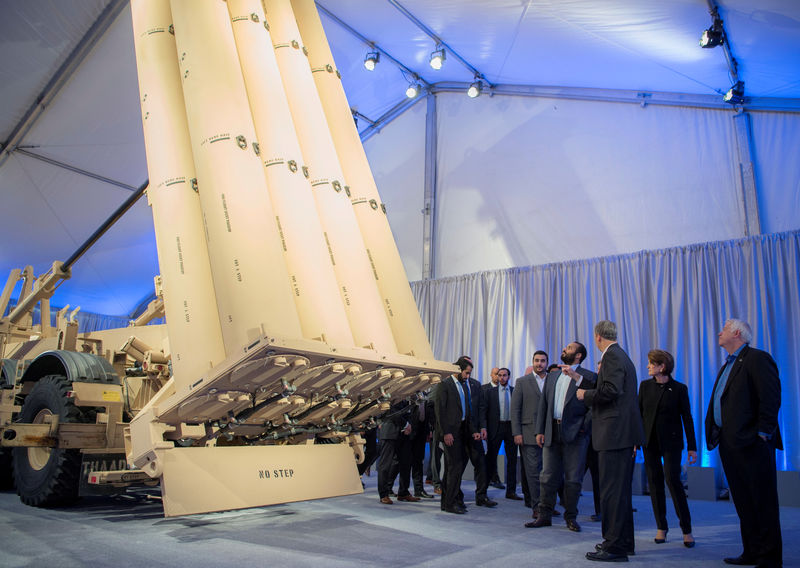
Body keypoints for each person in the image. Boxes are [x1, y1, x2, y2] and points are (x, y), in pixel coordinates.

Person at [705, 319, 782, 568]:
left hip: (753, 443)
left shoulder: (757, 358)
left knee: (762, 501)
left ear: (737, 333)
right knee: (743, 501)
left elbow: (770, 396)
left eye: (724, 329)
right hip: (730, 442)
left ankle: (769, 558)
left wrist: (763, 433)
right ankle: (751, 551)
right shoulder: (729, 362)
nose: (719, 332)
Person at [577, 320, 644, 562]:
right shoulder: (621, 355)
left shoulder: (612, 357)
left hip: (614, 434)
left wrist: (586, 395)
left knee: (611, 493)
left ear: (597, 337)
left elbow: (610, 390)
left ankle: (613, 546)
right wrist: (580, 380)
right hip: (621, 435)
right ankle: (624, 542)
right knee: (620, 493)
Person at [529, 342, 596, 532]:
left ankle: (571, 517)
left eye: (569, 348)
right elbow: (544, 404)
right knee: (547, 476)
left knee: (573, 479)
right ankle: (544, 515)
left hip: (576, 435)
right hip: (552, 432)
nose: (564, 349)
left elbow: (594, 407)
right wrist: (540, 430)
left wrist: (584, 428)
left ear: (578, 355)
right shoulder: (553, 375)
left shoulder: (589, 377)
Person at [638, 349, 697, 547]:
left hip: (672, 443)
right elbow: (639, 415)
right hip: (650, 443)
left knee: (673, 481)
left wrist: (692, 447)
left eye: (651, 363)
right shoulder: (644, 386)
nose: (647, 366)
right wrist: (635, 443)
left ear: (662, 366)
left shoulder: (679, 388)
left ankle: (686, 530)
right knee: (654, 484)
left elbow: (687, 418)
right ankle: (661, 527)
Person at [436, 357, 495, 513]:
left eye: (470, 373)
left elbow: (467, 412)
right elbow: (440, 411)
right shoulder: (445, 384)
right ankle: (449, 503)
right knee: (454, 468)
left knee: (456, 467)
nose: (468, 376)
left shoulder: (464, 385)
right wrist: (446, 433)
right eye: (466, 373)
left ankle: (452, 501)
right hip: (451, 433)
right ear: (458, 369)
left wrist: (475, 430)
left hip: (465, 431)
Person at [511, 350, 548, 523]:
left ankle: (547, 506)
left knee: (548, 473)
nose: (539, 363)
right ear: (532, 361)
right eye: (537, 360)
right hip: (527, 434)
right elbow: (515, 409)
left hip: (550, 435)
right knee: (533, 473)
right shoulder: (522, 382)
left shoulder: (553, 380)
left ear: (547, 363)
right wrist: (516, 432)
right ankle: (537, 508)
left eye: (542, 361)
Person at [481, 367, 520, 500]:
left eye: (505, 375)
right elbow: (484, 412)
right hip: (495, 429)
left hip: (511, 429)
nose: (502, 377)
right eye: (500, 375)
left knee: (512, 461)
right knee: (490, 460)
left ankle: (511, 491)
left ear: (509, 377)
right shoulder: (490, 392)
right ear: (497, 376)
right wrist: (484, 428)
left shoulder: (515, 391)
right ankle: (482, 491)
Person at [377, 400, 418, 504]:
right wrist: (405, 424)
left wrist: (408, 426)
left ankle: (403, 492)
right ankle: (383, 494)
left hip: (404, 433)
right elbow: (390, 410)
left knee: (406, 463)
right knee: (385, 465)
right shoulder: (393, 389)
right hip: (390, 431)